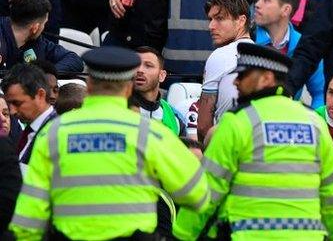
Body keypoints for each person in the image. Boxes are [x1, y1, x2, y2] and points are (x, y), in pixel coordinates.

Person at [9, 47, 210, 240]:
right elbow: (198, 195)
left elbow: (29, 215)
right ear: (129, 87)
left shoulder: (53, 133)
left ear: (88, 85)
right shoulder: (150, 134)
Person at [173, 43, 333, 240]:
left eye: (243, 75)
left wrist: (181, 235)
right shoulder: (314, 123)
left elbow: (207, 190)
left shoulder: (238, 122)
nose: (236, 82)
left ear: (266, 78)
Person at [254, 0, 326, 108]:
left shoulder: (305, 45)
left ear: (285, 9)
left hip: (287, 123)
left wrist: (313, 121)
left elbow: (320, 92)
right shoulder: (247, 39)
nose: (257, 4)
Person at [195, 0, 253, 142]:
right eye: (210, 19)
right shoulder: (263, 56)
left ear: (241, 21)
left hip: (227, 146)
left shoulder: (220, 55)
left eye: (219, 19)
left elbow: (203, 127)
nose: (211, 26)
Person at [0, 0, 83, 73]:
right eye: (44, 24)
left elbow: (74, 60)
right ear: (35, 28)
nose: (43, 28)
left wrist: (45, 75)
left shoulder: (37, 41)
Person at [1, 64, 57, 166]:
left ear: (40, 95)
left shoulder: (57, 132)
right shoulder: (27, 133)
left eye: (17, 103)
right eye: (9, 104)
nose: (12, 111)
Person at [130, 46, 184, 135]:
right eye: (135, 65)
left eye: (148, 66)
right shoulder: (117, 108)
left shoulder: (174, 116)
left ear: (162, 75)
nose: (140, 70)